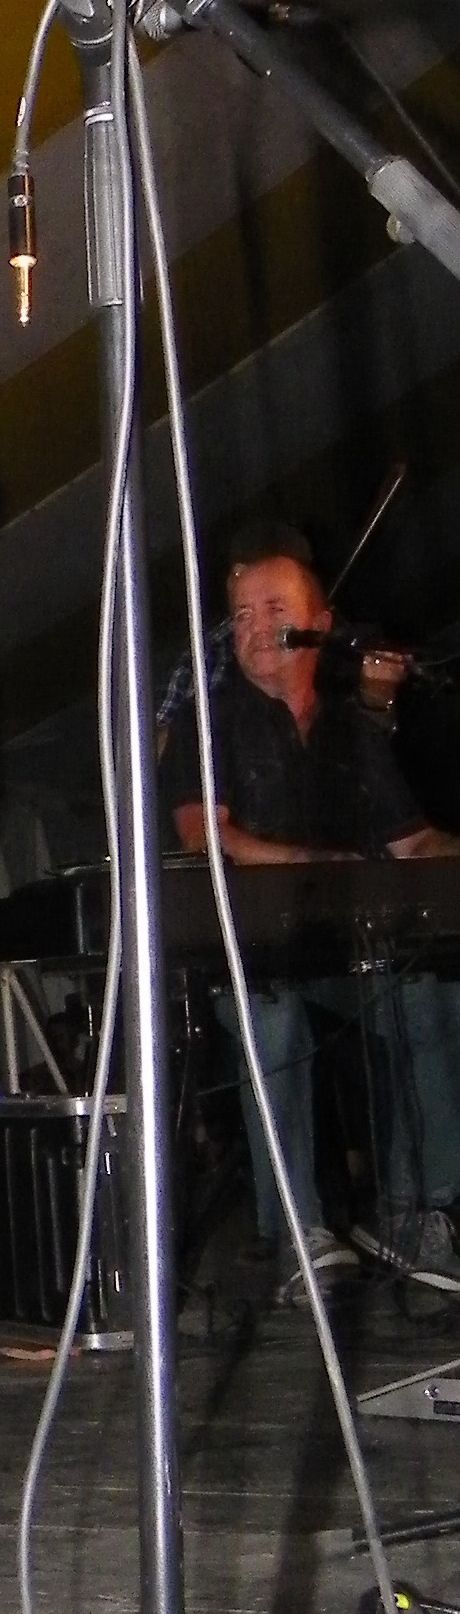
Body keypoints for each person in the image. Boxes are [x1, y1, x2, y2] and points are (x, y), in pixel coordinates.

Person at [160, 521, 460, 1300]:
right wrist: (312, 865)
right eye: (241, 614)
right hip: (247, 959)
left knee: (427, 994)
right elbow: (205, 835)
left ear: (318, 626)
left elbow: (411, 840)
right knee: (273, 1022)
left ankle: (416, 1213)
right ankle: (297, 1233)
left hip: (341, 951)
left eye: (273, 609)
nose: (254, 627)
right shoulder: (208, 718)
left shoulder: (350, 729)